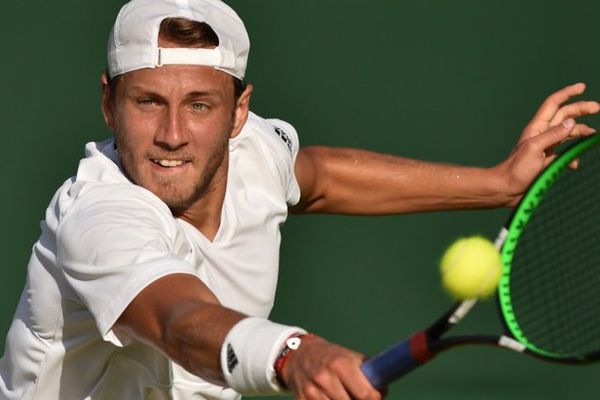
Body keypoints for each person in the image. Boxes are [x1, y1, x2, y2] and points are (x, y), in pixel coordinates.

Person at [0, 0, 598, 399]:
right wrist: (293, 353)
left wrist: (497, 183)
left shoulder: (256, 152)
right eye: (148, 101)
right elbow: (180, 322)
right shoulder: (97, 217)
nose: (173, 134)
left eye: (200, 105)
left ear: (239, 112)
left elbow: (320, 175)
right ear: (109, 104)